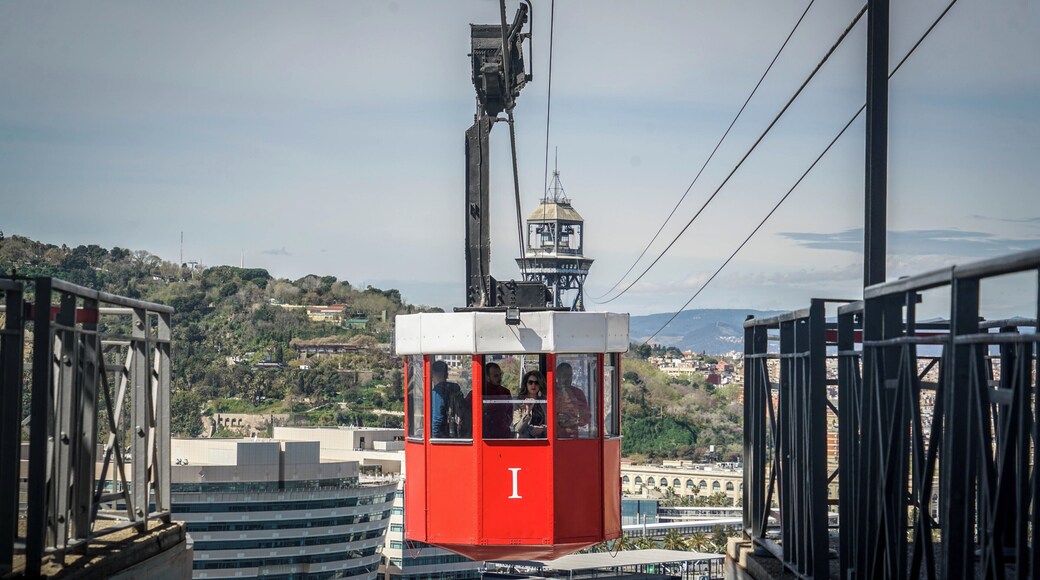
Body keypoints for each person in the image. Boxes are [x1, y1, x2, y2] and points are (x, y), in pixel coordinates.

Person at [466, 362, 512, 438]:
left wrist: (505, 421)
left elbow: (510, 413)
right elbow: (467, 415)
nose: (499, 378)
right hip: (484, 435)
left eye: (500, 375)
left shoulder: (505, 392)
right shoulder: (476, 393)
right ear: (487, 377)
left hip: (503, 435)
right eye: (496, 376)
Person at [554, 362, 590, 438]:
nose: (568, 379)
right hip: (554, 436)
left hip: (572, 437)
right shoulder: (551, 393)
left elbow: (585, 417)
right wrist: (557, 418)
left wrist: (574, 420)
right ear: (557, 375)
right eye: (565, 376)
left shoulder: (578, 393)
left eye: (570, 376)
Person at [430, 360, 465, 438]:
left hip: (441, 435)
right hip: (455, 433)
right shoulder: (454, 389)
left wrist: (433, 437)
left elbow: (437, 418)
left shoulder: (437, 392)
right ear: (446, 374)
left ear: (432, 374)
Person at [511, 370, 547, 438]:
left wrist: (543, 428)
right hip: (525, 440)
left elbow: (552, 424)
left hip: (543, 439)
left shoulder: (544, 402)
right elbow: (517, 428)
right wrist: (527, 412)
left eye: (536, 383)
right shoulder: (519, 402)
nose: (533, 385)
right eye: (530, 382)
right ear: (526, 384)